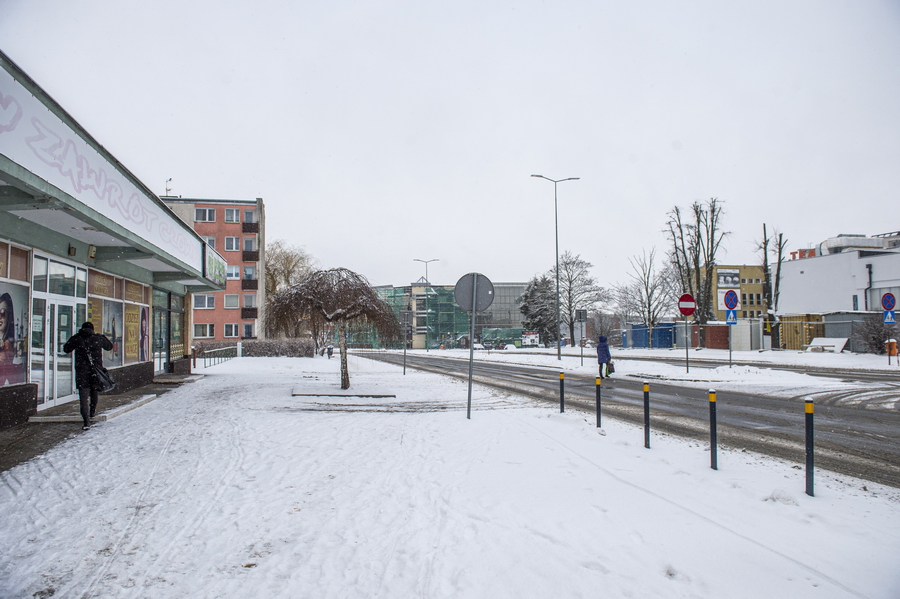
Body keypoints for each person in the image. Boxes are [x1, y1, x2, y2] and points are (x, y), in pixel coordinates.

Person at [63, 322, 113, 430]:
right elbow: (109, 346)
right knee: (94, 391)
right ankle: (92, 411)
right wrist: (102, 337)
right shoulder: (97, 338)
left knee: (83, 396)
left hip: (82, 372)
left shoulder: (77, 338)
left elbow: (66, 349)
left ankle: (86, 420)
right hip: (96, 371)